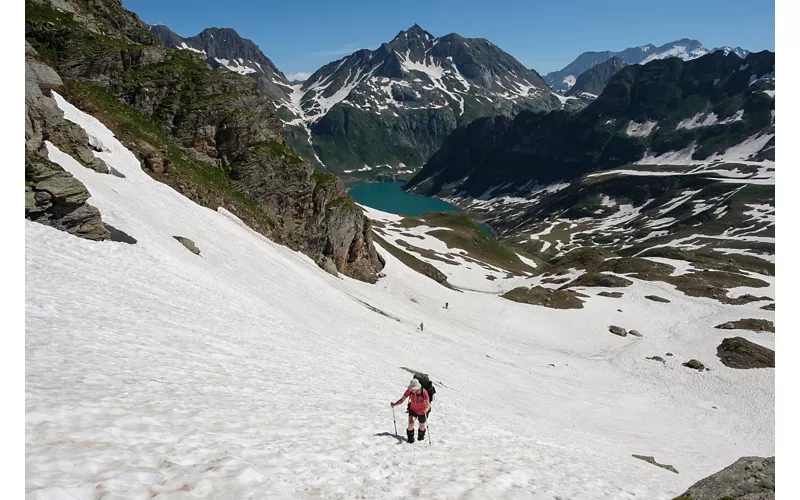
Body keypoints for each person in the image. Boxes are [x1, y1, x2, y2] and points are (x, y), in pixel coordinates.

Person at [390, 378, 431, 443]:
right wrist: (395, 404)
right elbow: (402, 400)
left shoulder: (424, 392)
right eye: (412, 389)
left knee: (422, 426)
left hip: (422, 412)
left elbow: (428, 405)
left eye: (414, 389)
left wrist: (426, 409)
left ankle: (421, 439)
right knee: (411, 423)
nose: (413, 390)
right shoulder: (409, 391)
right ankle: (410, 440)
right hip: (413, 410)